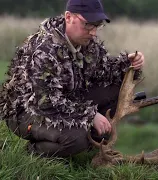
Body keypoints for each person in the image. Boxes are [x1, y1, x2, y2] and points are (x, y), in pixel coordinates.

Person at [0, 0, 145, 158]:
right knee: (76, 139)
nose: (93, 32)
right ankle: (30, 155)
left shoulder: (86, 43)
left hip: (66, 101)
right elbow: (46, 104)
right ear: (68, 17)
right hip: (28, 112)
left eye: (97, 25)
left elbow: (105, 72)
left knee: (116, 90)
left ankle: (92, 144)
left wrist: (129, 65)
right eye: (88, 24)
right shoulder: (43, 51)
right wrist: (90, 115)